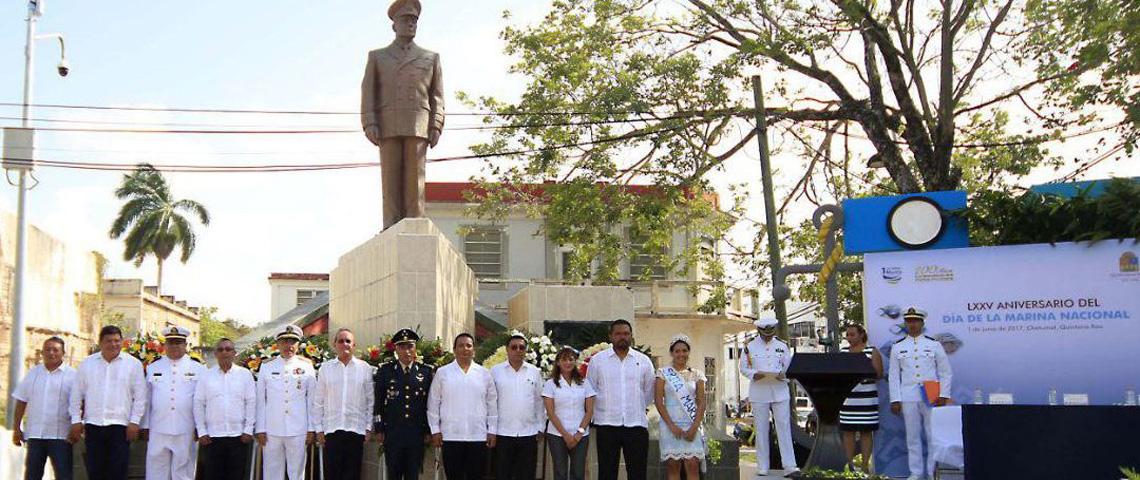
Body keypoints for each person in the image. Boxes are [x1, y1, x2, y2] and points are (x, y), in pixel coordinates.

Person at [360, 0, 446, 229]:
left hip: (418, 123)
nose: (410, 23)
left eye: (414, 20)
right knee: (390, 179)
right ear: (394, 25)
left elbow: (436, 95)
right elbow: (369, 92)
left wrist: (436, 125)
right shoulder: (378, 57)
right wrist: (369, 122)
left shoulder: (431, 57)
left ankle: (414, 223)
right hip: (388, 123)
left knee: (415, 178)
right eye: (406, 19)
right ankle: (391, 224)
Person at [68, 325, 148, 480]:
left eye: (117, 341)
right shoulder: (87, 364)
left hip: (120, 427)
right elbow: (76, 394)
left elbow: (140, 396)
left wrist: (135, 422)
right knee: (95, 470)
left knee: (117, 471)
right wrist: (76, 420)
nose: (113, 344)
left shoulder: (133, 364)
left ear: (122, 342)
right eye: (109, 341)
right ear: (100, 343)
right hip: (93, 425)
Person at [586, 319, 655, 480]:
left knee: (637, 473)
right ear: (610, 336)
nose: (622, 337)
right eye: (618, 333)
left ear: (631, 336)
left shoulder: (643, 361)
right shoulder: (598, 361)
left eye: (626, 333)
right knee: (607, 473)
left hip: (636, 424)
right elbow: (591, 389)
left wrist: (638, 407)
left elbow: (649, 391)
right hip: (607, 424)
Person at [888, 307, 953, 480]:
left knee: (933, 436)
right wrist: (895, 399)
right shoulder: (898, 347)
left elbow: (946, 372)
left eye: (915, 321)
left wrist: (944, 395)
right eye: (909, 321)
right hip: (908, 395)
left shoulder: (933, 344)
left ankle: (932, 473)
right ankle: (915, 473)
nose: (912, 324)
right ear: (905, 324)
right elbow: (894, 376)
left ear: (922, 323)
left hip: (931, 393)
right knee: (912, 436)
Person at [427, 333, 497, 480]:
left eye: (469, 345)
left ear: (474, 350)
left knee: (476, 476)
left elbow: (492, 404)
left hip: (478, 435)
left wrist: (492, 430)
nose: (465, 349)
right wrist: (435, 430)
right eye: (461, 345)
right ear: (454, 349)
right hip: (451, 435)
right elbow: (433, 403)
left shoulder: (484, 374)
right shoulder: (443, 373)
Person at [141, 326, 207, 480]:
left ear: (185, 345)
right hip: (158, 427)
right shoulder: (153, 367)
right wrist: (145, 425)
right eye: (171, 342)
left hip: (186, 427)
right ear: (165, 345)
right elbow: (147, 398)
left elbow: (202, 400)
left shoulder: (198, 368)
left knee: (183, 473)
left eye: (179, 342)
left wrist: (200, 427)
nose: (175, 346)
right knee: (156, 472)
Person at [255, 325, 317, 480]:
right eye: (284, 341)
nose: (288, 346)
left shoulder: (307, 366)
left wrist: (311, 428)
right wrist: (260, 428)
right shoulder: (267, 366)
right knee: (271, 472)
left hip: (298, 429)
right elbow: (261, 400)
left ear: (298, 344)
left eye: (292, 342)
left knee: (296, 473)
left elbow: (312, 400)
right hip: (272, 429)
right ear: (278, 343)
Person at [373, 328, 434, 480]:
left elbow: (429, 405)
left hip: (416, 433)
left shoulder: (426, 372)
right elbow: (378, 402)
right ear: (396, 349)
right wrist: (379, 428)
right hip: (393, 432)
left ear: (415, 349)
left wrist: (428, 430)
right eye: (402, 347)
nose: (406, 351)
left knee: (413, 474)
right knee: (393, 473)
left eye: (410, 346)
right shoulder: (385, 371)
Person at [314, 328, 375, 480]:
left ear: (354, 345)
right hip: (332, 430)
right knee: (332, 474)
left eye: (348, 341)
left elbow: (370, 400)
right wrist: (319, 429)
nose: (344, 344)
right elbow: (318, 401)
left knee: (352, 474)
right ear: (335, 345)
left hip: (356, 429)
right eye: (341, 341)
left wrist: (368, 427)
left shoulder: (364, 368)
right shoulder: (325, 369)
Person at [739, 317, 798, 476]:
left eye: (771, 333)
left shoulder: (782, 345)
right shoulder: (749, 346)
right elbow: (743, 368)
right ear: (759, 331)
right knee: (761, 428)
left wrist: (784, 376)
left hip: (779, 390)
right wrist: (753, 374)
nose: (768, 336)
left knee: (784, 428)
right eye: (765, 334)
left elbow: (789, 368)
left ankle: (789, 465)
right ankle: (763, 466)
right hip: (759, 391)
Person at [11, 337, 76, 480]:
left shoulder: (73, 376)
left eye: (55, 350)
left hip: (61, 436)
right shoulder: (33, 373)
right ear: (42, 352)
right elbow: (21, 400)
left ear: (63, 353)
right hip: (35, 435)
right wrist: (16, 428)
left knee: (64, 475)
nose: (51, 353)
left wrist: (77, 426)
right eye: (48, 349)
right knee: (32, 475)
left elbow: (80, 404)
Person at [194, 337, 256, 480]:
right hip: (212, 437)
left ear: (234, 353)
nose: (224, 352)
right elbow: (198, 403)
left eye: (228, 349)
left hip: (238, 436)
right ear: (215, 354)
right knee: (213, 475)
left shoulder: (245, 375)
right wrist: (201, 431)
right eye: (220, 349)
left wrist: (248, 429)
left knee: (236, 475)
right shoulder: (206, 376)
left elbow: (251, 403)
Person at [490, 334, 544, 480]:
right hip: (502, 433)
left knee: (526, 474)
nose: (518, 350)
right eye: (514, 347)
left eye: (522, 347)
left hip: (528, 433)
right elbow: (490, 402)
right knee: (502, 474)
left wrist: (540, 426)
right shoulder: (495, 371)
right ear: (507, 350)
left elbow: (539, 401)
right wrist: (491, 430)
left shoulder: (534, 372)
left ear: (526, 350)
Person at [654, 334, 707, 480]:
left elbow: (702, 402)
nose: (681, 354)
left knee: (693, 465)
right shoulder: (663, 374)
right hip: (670, 424)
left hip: (691, 423)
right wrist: (671, 426)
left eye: (684, 350)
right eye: (677, 351)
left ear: (688, 352)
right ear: (671, 353)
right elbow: (659, 401)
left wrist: (695, 427)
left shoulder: (697, 374)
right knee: (673, 465)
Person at [542, 346, 596, 480]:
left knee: (578, 472)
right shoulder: (551, 384)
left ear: (575, 362)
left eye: (571, 359)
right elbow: (551, 412)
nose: (568, 363)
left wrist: (579, 433)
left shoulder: (584, 383)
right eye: (564, 359)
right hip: (557, 434)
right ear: (558, 363)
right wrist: (565, 435)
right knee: (560, 472)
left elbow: (589, 410)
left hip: (581, 435)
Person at [839, 323, 883, 473]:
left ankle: (865, 465)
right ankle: (850, 464)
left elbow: (879, 374)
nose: (849, 337)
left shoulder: (872, 351)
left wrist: (864, 370)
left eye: (852, 334)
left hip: (867, 399)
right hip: (848, 399)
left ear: (861, 335)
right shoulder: (843, 351)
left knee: (866, 431)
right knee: (848, 432)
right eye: (848, 335)